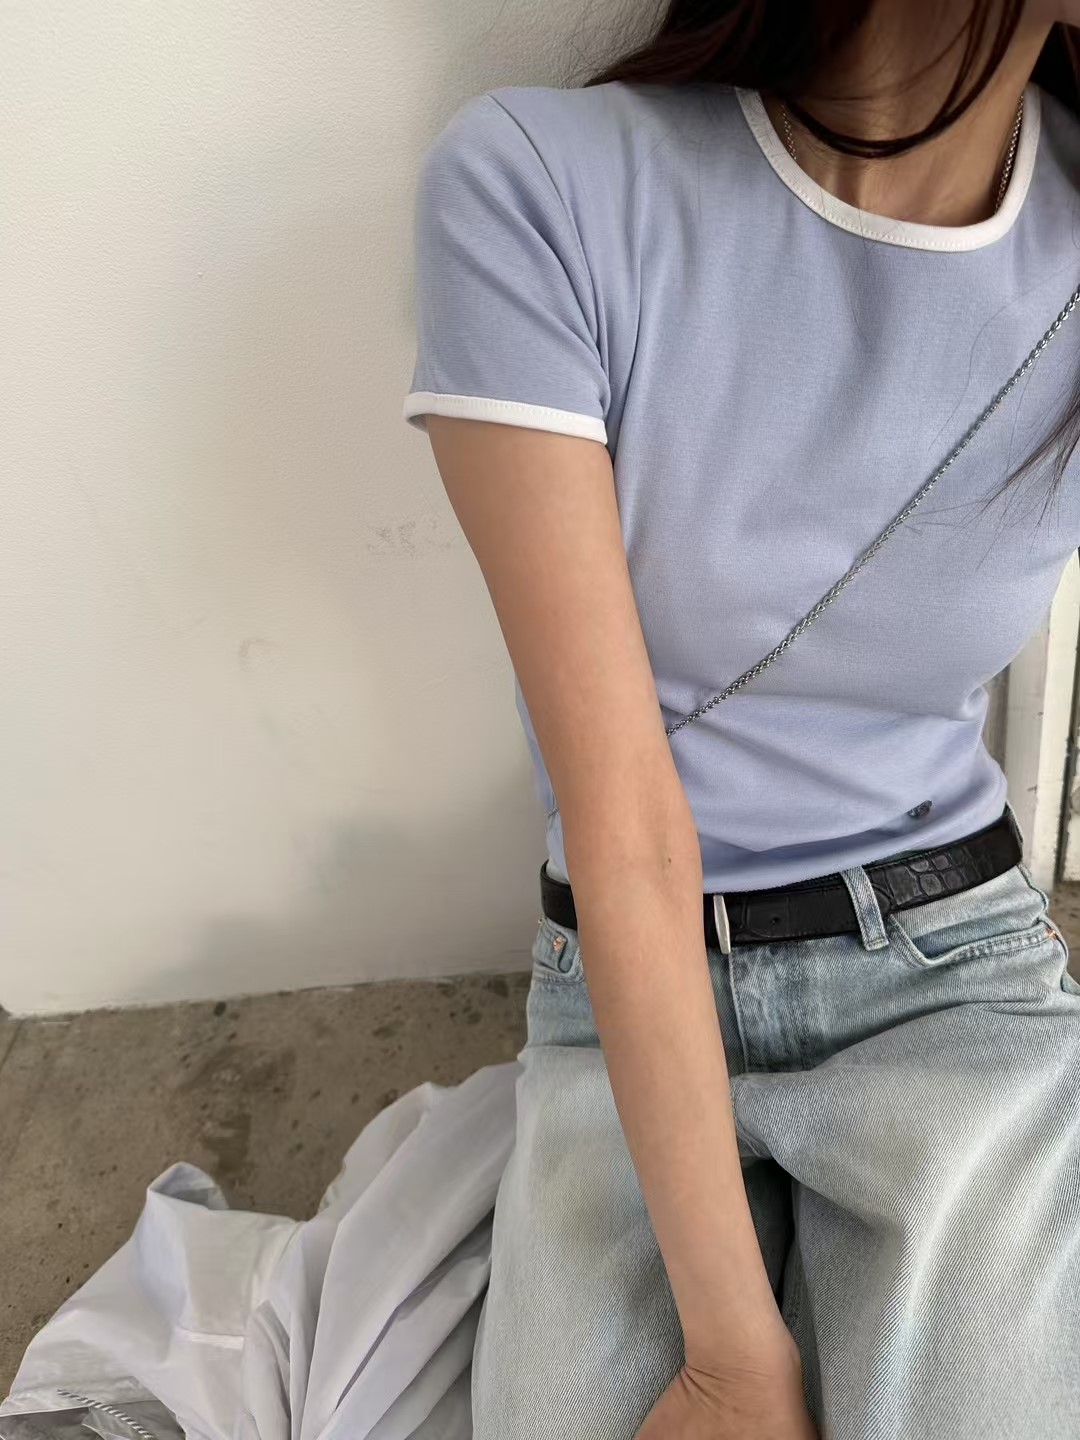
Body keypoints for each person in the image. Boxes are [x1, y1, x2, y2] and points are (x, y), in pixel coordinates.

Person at [402, 2, 1080, 1436]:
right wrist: (732, 1354)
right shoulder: (542, 184)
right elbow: (625, 821)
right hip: (626, 977)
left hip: (951, 966)